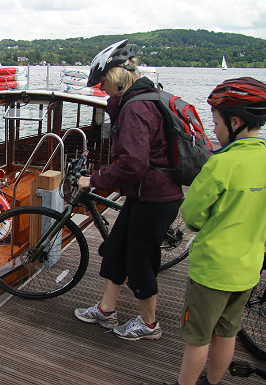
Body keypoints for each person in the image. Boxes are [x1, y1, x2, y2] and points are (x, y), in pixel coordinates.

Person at [74, 40, 183, 340]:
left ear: (117, 76)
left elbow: (133, 163)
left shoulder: (136, 107)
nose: (102, 89)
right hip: (143, 193)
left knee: (140, 261)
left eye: (103, 82)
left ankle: (149, 324)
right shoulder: (141, 99)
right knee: (116, 249)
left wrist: (94, 180)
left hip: (156, 197)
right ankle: (107, 310)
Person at [175, 77, 266, 385]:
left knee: (198, 338)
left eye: (216, 123)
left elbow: (192, 216)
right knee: (227, 332)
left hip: (212, 271)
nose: (214, 130)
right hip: (248, 268)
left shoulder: (220, 165)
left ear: (236, 121)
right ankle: (212, 383)